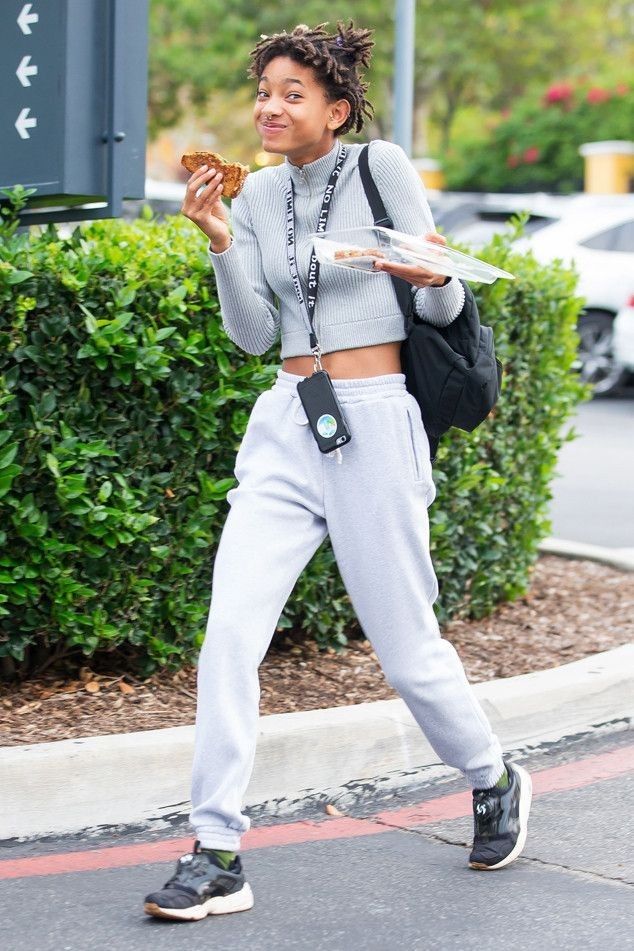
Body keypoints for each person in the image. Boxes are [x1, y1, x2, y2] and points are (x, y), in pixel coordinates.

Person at [143, 21, 532, 923]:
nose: (268, 108)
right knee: (229, 634)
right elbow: (252, 336)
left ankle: (492, 774)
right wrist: (217, 241)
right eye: (263, 91)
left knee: (405, 645)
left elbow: (446, 295)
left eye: (291, 93)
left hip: (375, 418)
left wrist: (415, 268)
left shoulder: (380, 168)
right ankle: (216, 851)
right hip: (285, 421)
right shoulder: (253, 195)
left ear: (337, 109)